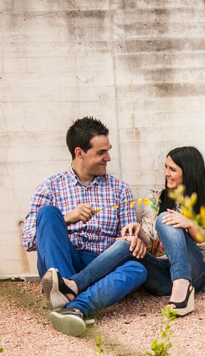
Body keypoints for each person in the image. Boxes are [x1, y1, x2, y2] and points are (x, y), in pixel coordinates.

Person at [21, 117, 148, 336]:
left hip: (101, 267)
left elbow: (126, 239)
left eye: (108, 151)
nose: (107, 158)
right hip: (61, 263)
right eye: (101, 153)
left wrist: (134, 238)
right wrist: (66, 219)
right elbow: (29, 241)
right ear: (79, 153)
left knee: (137, 269)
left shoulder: (119, 190)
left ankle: (71, 303)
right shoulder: (49, 188)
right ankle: (73, 297)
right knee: (48, 213)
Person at [121, 146, 205, 317]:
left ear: (188, 173)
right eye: (166, 167)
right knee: (124, 245)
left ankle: (182, 285)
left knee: (166, 217)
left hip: (196, 275)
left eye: (172, 169)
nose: (166, 173)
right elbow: (149, 245)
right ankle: (76, 286)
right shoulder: (155, 200)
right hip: (164, 279)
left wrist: (189, 225)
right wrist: (139, 232)